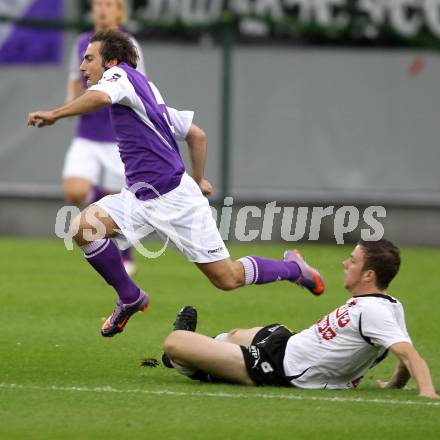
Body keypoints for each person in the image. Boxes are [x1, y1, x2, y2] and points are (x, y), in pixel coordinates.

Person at [27, 29, 325, 339]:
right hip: (138, 197)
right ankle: (130, 297)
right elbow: (196, 134)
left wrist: (56, 114)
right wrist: (196, 180)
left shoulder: (119, 76)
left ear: (111, 61)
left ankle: (294, 269)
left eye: (88, 58)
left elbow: (100, 97)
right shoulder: (146, 92)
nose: (82, 66)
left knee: (227, 278)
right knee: (83, 227)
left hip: (175, 201)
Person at [161, 240, 439, 400]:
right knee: (232, 336)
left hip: (280, 367)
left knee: (175, 343)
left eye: (352, 261)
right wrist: (393, 384)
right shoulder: (388, 305)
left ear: (369, 275)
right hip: (289, 341)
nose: (344, 264)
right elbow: (403, 352)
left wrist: (427, 392)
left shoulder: (375, 312)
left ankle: (182, 362)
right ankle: (199, 354)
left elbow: (409, 354)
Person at [63, 0, 145, 275]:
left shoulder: (128, 44)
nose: (102, 8)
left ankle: (125, 251)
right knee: (74, 191)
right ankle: (96, 199)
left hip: (116, 135)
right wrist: (68, 106)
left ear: (119, 10)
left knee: (116, 201)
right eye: (98, 3)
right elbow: (75, 78)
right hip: (87, 133)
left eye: (109, 3)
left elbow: (138, 85)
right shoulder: (82, 42)